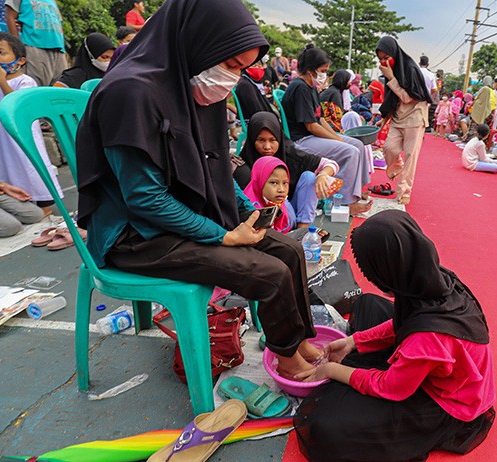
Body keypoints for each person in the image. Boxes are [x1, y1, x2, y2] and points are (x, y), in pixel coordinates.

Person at [75, 0, 323, 379]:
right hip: (135, 235)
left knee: (289, 249)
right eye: (230, 65)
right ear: (197, 44)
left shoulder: (194, 86)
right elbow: (144, 198)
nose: (233, 79)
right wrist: (222, 235)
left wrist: (244, 211)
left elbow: (216, 166)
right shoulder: (131, 93)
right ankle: (289, 360)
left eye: (243, 69)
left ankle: (300, 341)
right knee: (269, 273)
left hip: (180, 215)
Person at [294, 210, 496, 462]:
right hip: (430, 355)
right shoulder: (430, 277)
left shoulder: (428, 337)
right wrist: (353, 342)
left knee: (326, 427)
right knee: (366, 303)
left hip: (447, 400)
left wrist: (331, 371)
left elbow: (391, 387)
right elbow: (402, 323)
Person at [282, 44, 372, 215]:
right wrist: (338, 140)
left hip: (312, 135)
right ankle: (345, 202)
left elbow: (320, 119)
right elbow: (311, 125)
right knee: (350, 152)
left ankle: (355, 191)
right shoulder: (300, 87)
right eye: (322, 70)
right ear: (310, 70)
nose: (325, 75)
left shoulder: (311, 88)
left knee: (357, 145)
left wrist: (338, 136)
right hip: (301, 139)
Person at [0, 32, 62, 216]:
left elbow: (16, 108)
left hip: (22, 140)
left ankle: (45, 208)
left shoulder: (26, 82)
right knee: (8, 170)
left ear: (20, 61)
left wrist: (2, 81)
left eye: (1, 52)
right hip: (3, 141)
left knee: (30, 169)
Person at [240, 111, 338, 229]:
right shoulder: (243, 163)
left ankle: (303, 226)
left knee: (309, 177)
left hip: (290, 208)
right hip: (264, 216)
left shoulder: (290, 153)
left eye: (272, 140)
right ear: (252, 140)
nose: (267, 147)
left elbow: (331, 164)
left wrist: (322, 175)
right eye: (261, 140)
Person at [376, 36, 433, 206]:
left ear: (394, 53)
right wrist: (384, 119)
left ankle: (404, 191)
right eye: (380, 59)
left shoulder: (410, 69)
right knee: (388, 148)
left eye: (386, 58)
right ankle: (396, 166)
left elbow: (409, 98)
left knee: (410, 156)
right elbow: (392, 99)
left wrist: (392, 79)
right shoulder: (390, 72)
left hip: (414, 118)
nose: (384, 62)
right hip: (398, 118)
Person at [5, 0, 66, 86]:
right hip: (34, 46)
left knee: (58, 89)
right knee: (35, 87)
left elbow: (57, 23)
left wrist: (64, 50)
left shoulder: (52, 1)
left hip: (59, 49)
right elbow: (10, 16)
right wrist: (18, 46)